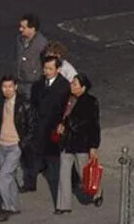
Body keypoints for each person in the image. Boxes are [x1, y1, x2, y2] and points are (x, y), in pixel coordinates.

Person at [0, 75, 34, 222]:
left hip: (15, 145)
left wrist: (23, 143)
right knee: (10, 177)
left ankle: (6, 207)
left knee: (4, 176)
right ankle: (14, 206)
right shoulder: (0, 103)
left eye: (9, 86)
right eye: (4, 87)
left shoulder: (24, 104)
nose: (6, 90)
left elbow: (32, 127)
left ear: (15, 87)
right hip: (2, 144)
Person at [55, 74, 103, 213]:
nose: (72, 86)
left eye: (75, 84)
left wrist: (93, 146)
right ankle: (63, 205)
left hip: (81, 143)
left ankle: (97, 192)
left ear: (83, 87)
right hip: (67, 141)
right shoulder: (68, 99)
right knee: (63, 172)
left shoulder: (90, 102)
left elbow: (94, 125)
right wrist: (61, 125)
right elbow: (63, 116)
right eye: (72, 83)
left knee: (84, 173)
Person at [25, 55, 70, 193]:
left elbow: (66, 109)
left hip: (54, 128)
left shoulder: (64, 86)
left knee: (54, 159)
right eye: (45, 68)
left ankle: (64, 185)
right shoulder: (38, 85)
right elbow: (33, 104)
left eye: (50, 68)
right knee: (34, 154)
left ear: (58, 69)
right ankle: (30, 184)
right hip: (39, 126)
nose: (47, 71)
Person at [16, 13, 47, 96]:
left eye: (23, 27)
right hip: (20, 81)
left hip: (33, 84)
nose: (20, 29)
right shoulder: (20, 39)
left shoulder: (41, 44)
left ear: (32, 29)